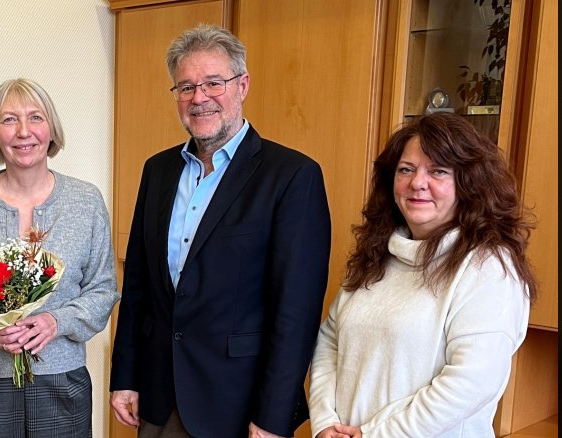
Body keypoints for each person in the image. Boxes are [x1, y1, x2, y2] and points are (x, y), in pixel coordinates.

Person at [109, 24, 332, 438]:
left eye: (214, 83)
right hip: (160, 397)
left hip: (240, 405)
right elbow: (138, 285)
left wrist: (272, 416)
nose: (199, 98)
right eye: (186, 87)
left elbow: (295, 313)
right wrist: (125, 375)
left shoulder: (292, 176)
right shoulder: (157, 170)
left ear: (242, 85)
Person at [308, 112, 536, 437]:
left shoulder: (489, 267)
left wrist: (376, 434)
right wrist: (324, 421)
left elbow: (472, 380)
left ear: (469, 183)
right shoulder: (378, 255)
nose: (417, 183)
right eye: (406, 170)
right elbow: (330, 339)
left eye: (438, 171)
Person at [0, 78, 120, 437]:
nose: (24, 132)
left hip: (61, 383)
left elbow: (103, 289)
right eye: (9, 120)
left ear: (51, 129)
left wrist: (56, 322)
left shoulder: (85, 201)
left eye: (35, 118)